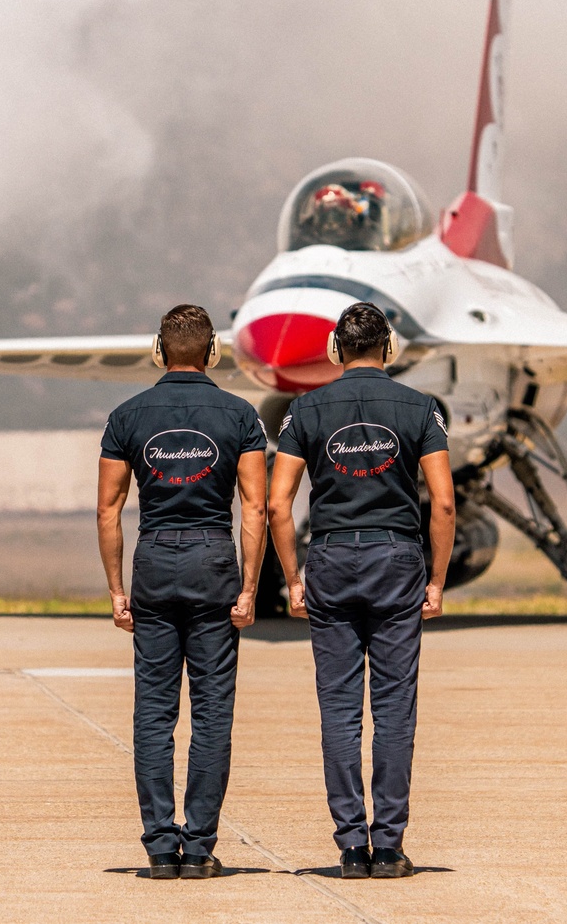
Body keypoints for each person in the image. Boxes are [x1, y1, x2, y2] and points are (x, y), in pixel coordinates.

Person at [268, 301, 456, 879]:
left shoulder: (304, 409)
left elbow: (278, 503)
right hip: (397, 560)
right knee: (395, 707)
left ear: (334, 349)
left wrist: (292, 577)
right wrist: (438, 578)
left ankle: (351, 845)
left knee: (340, 709)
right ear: (390, 348)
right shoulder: (420, 408)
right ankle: (391, 844)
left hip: (329, 558)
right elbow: (443, 502)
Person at [97, 304, 267, 880]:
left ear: (158, 350)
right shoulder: (240, 414)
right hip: (214, 557)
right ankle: (199, 847)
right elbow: (256, 507)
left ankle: (159, 846)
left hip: (154, 560)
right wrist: (249, 586)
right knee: (212, 712)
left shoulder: (126, 415)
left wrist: (117, 588)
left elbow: (108, 509)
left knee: (155, 712)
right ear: (213, 352)